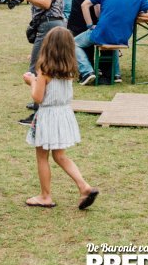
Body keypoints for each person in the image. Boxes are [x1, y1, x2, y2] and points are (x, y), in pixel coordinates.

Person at [22, 27, 100, 210]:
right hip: (63, 115)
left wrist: (31, 81)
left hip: (48, 116)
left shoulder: (44, 70)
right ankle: (84, 186)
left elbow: (38, 97)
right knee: (60, 156)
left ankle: (45, 196)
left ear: (48, 46)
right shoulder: (69, 70)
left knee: (42, 156)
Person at [8, 0, 79, 121]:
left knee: (36, 67)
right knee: (49, 66)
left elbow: (46, 3)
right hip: (54, 24)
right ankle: (40, 103)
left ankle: (38, 112)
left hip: (48, 24)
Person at [75, 0, 148, 83]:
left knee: (73, 43)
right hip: (123, 36)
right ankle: (116, 74)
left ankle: (87, 72)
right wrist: (136, 14)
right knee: (113, 36)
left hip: (102, 33)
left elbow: (84, 5)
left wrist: (90, 25)